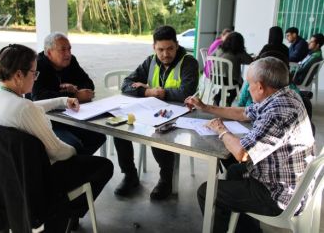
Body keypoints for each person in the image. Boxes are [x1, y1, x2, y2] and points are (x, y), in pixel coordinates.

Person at [0, 44, 113, 232]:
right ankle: (67, 215)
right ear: (19, 75)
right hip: (39, 179)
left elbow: (31, 106)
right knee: (104, 165)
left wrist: (61, 100)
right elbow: (59, 152)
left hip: (10, 173)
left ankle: (67, 214)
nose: (35, 78)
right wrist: (76, 151)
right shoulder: (24, 109)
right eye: (34, 74)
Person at [185, 57, 314, 233]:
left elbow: (242, 153)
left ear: (260, 87)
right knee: (233, 171)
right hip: (288, 180)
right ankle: (244, 228)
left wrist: (221, 130)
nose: (247, 87)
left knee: (206, 192)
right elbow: (243, 113)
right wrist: (206, 107)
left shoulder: (276, 112)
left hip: (278, 195)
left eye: (249, 83)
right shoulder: (284, 95)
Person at [113, 25, 199, 200]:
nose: (165, 54)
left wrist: (161, 92)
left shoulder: (189, 62)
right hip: (152, 111)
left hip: (180, 115)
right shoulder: (150, 61)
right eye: (160, 49)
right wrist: (147, 92)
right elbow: (127, 84)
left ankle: (165, 180)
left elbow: (186, 92)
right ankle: (130, 175)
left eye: (170, 49)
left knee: (159, 133)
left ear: (177, 45)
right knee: (120, 130)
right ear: (154, 47)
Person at [32, 32, 106, 156]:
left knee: (98, 136)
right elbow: (37, 97)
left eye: (69, 49)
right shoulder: (37, 65)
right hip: (48, 121)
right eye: (63, 50)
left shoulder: (71, 61)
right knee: (73, 144)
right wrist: (73, 95)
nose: (68, 54)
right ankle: (73, 168)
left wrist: (76, 89)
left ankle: (76, 168)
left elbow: (88, 84)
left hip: (71, 117)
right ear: (49, 52)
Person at [213, 31, 253, 106]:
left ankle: (217, 97)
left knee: (226, 82)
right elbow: (250, 61)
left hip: (215, 78)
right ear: (240, 43)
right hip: (228, 80)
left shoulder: (220, 49)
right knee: (239, 82)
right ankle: (228, 101)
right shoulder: (239, 52)